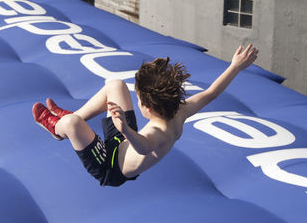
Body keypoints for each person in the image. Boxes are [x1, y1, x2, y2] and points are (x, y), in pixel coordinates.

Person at [32, 44, 259, 187]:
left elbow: (144, 147)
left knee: (71, 124)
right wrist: (235, 67)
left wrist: (126, 130)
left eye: (139, 99)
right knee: (115, 85)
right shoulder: (178, 111)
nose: (136, 102)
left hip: (110, 168)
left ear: (148, 108)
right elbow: (210, 93)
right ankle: (72, 119)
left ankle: (58, 129)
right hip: (120, 143)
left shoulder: (161, 133)